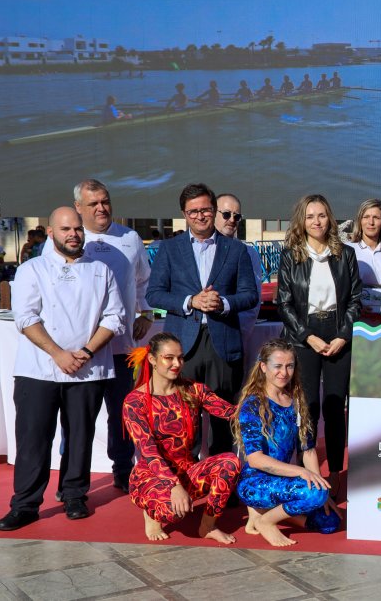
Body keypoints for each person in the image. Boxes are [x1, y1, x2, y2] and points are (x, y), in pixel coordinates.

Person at [0, 207, 125, 531]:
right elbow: (25, 317)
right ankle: (25, 504)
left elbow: (115, 317)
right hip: (38, 368)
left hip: (87, 367)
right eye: (66, 229)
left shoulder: (101, 270)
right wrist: (57, 353)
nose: (73, 234)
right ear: (51, 232)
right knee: (33, 438)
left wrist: (84, 351)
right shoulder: (31, 269)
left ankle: (74, 495)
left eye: (78, 229)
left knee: (80, 435)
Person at [146, 183, 258, 455]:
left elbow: (250, 295)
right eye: (193, 211)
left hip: (223, 343)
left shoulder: (236, 250)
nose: (200, 216)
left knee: (223, 418)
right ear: (185, 214)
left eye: (206, 209)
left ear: (214, 210)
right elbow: (154, 294)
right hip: (183, 346)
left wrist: (223, 303)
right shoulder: (169, 249)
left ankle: (222, 484)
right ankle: (187, 483)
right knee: (185, 421)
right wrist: (190, 302)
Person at [275, 194, 361, 494]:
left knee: (335, 407)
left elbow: (354, 300)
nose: (317, 221)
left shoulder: (346, 255)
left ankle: (336, 471)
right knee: (307, 407)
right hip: (303, 336)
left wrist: (342, 336)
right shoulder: (290, 256)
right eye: (310, 216)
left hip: (338, 334)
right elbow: (283, 304)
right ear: (302, 221)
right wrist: (307, 336)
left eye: (322, 215)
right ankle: (306, 472)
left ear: (330, 219)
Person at [122, 332, 241, 544]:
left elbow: (231, 413)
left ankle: (208, 526)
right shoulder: (135, 401)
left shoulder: (194, 390)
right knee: (172, 512)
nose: (177, 363)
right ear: (152, 359)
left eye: (180, 357)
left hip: (188, 468)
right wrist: (174, 486)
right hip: (152, 474)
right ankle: (151, 515)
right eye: (169, 358)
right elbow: (148, 452)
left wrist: (261, 398)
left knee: (231, 462)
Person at [75, 178, 153, 493]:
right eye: (93, 204)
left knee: (122, 413)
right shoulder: (72, 239)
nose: (101, 208)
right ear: (79, 208)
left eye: (105, 201)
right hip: (81, 348)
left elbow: (143, 280)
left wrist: (145, 312)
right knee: (78, 416)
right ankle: (74, 481)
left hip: (121, 346)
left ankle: (122, 469)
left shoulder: (130, 238)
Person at [235, 339, 340, 546]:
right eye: (278, 366)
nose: (284, 372)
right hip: (254, 483)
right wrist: (301, 473)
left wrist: (321, 486)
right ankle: (266, 521)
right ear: (264, 367)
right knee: (314, 494)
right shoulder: (253, 404)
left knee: (329, 522)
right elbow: (255, 460)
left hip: (284, 482)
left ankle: (260, 515)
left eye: (289, 366)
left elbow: (307, 450)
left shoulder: (296, 401)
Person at [215, 193, 263, 347]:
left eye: (237, 216)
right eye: (227, 214)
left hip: (233, 337)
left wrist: (238, 335)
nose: (232, 220)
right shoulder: (195, 249)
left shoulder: (249, 253)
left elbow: (252, 302)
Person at [349, 198, 381, 321]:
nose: (371, 222)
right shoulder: (349, 249)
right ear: (360, 220)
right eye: (366, 217)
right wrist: (356, 307)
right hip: (359, 318)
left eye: (376, 217)